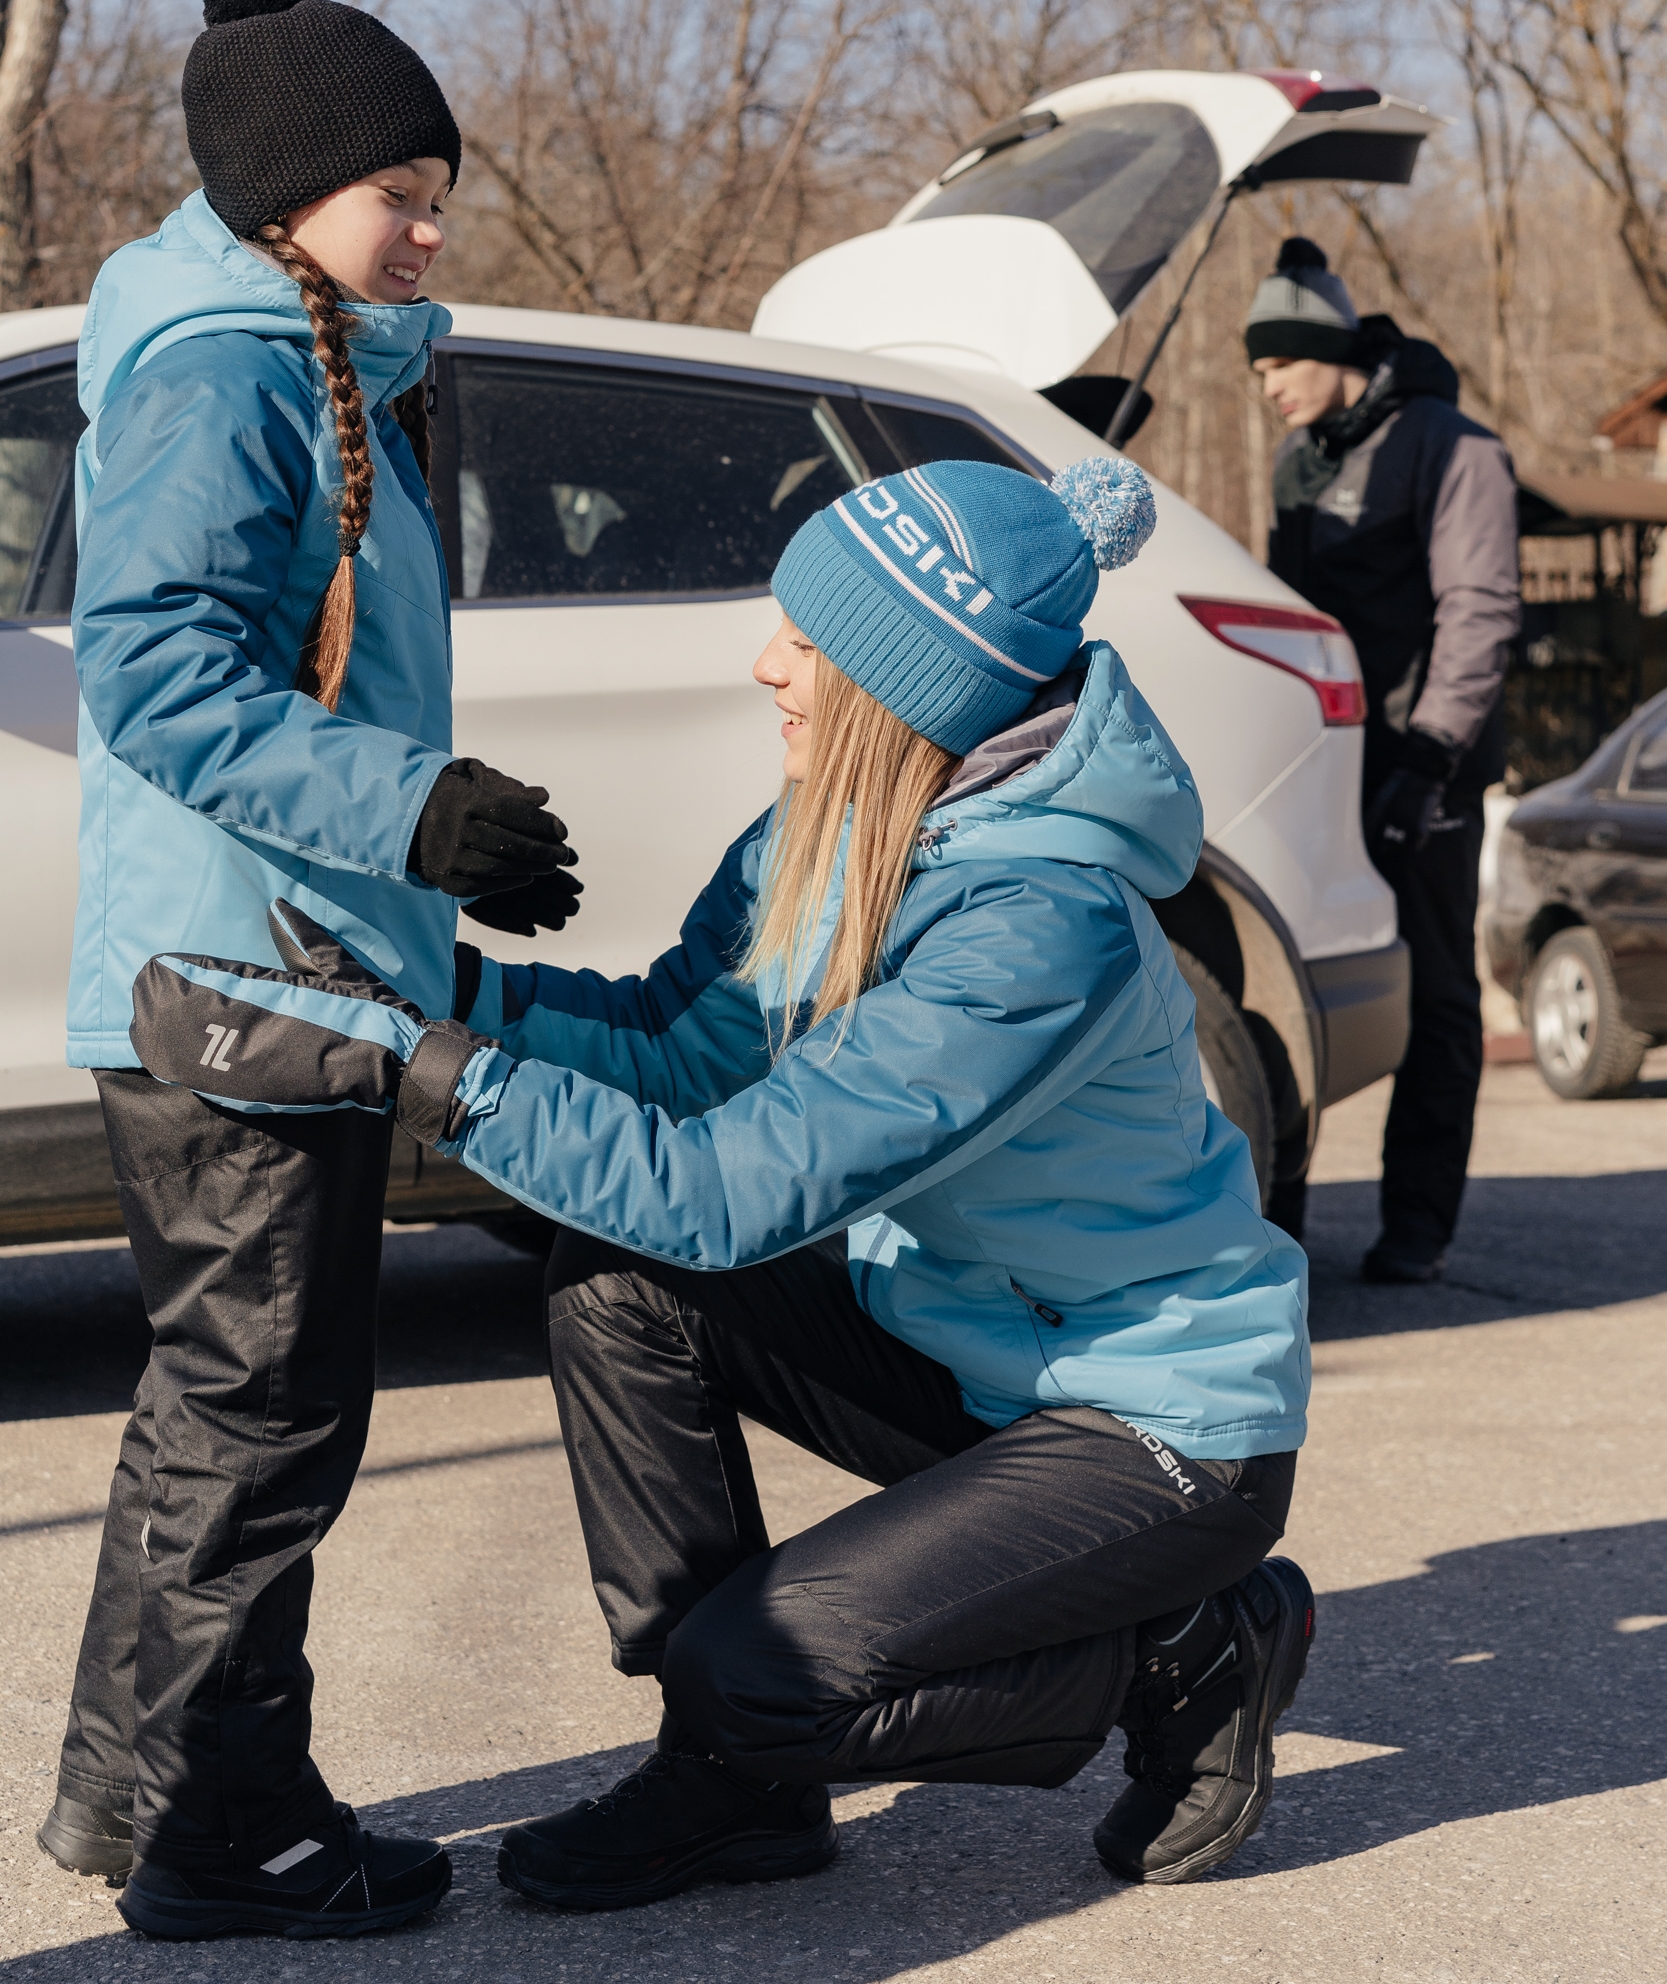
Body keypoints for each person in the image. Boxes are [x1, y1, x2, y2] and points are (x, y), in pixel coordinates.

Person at [133, 454, 1316, 1908]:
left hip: (1155, 1429)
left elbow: (730, 1194)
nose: (767, 666)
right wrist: (439, 990)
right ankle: (731, 1782)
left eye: (809, 646)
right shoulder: (832, 837)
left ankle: (1183, 1648)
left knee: (770, 1666)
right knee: (618, 1287)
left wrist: (411, 1072)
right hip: (968, 1352)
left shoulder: (1036, 925)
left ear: (913, 689)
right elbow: (680, 1055)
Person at [38, 0, 580, 1943]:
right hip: (230, 984)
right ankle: (189, 1821)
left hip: (287, 969)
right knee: (252, 1415)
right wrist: (409, 814)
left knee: (265, 1412)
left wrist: (430, 862)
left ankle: (234, 1800)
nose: (431, 229)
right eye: (399, 193)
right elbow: (164, 677)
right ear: (286, 197)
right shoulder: (229, 367)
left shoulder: (313, 345)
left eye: (441, 189)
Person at [1246, 238, 1521, 1282]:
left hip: (1426, 772)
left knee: (1438, 996)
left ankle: (1416, 1227)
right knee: (1304, 982)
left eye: (1275, 363)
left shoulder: (1450, 447)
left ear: (1325, 349)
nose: (1264, 386)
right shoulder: (1297, 459)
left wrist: (1431, 760)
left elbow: (1479, 611)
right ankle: (1278, 1223)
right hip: (1325, 766)